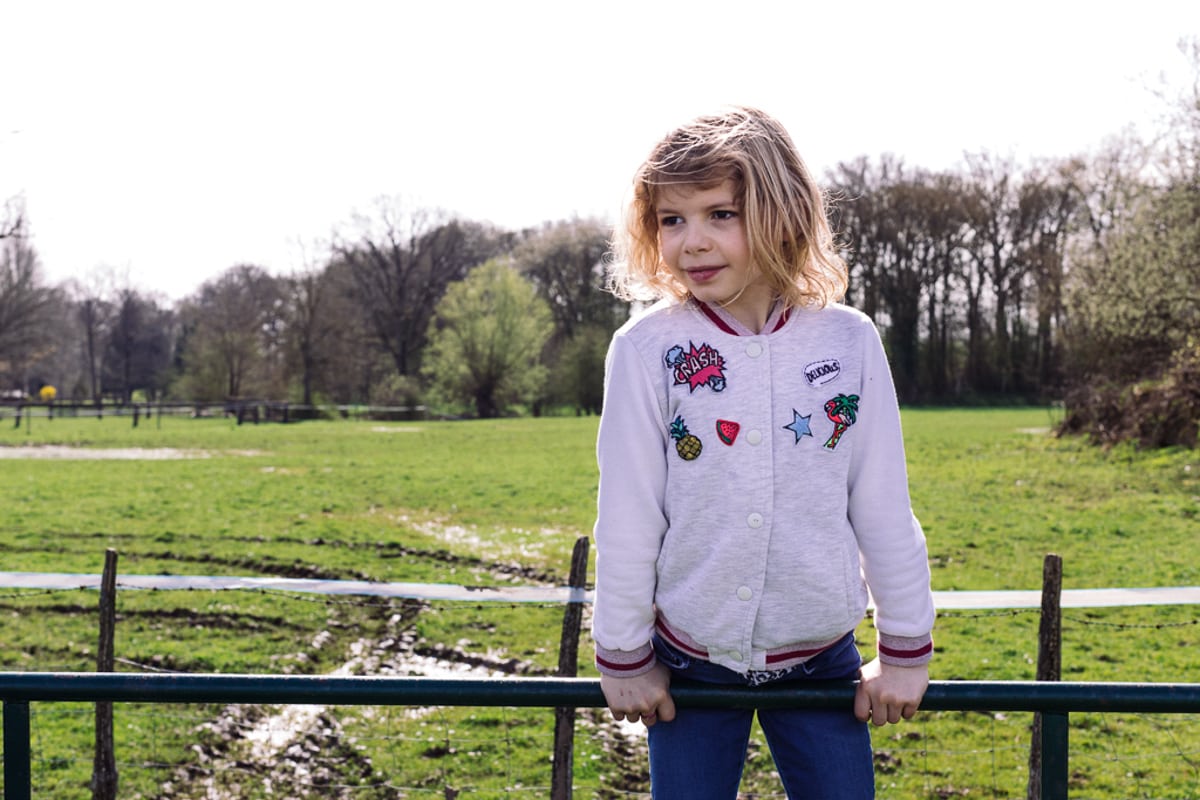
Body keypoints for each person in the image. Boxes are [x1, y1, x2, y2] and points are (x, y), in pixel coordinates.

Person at [591, 106, 935, 799]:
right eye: (671, 219)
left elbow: (882, 506)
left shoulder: (849, 342)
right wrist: (625, 657)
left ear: (782, 213)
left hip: (822, 664)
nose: (692, 242)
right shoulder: (645, 350)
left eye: (721, 214)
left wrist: (904, 652)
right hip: (688, 663)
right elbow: (628, 516)